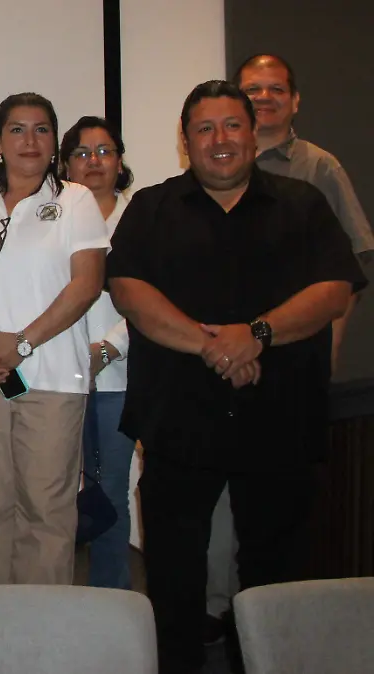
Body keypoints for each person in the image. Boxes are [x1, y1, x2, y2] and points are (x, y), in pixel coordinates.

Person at [106, 80, 365, 674]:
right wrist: (216, 344)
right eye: (204, 128)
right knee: (173, 575)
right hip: (179, 421)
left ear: (252, 134)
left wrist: (260, 334)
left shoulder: (303, 203)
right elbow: (128, 290)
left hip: (281, 418)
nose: (219, 140)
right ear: (185, 141)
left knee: (277, 574)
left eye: (231, 126)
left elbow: (333, 289)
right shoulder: (151, 207)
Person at [199, 53, 374, 641]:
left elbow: (346, 273)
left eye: (277, 89)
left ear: (294, 101)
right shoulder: (209, 172)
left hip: (292, 359)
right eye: (255, 89)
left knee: (277, 508)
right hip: (222, 359)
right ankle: (223, 614)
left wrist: (326, 352)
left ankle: (276, 625)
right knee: (218, 497)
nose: (266, 98)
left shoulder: (318, 168)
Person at [0, 94, 107, 589]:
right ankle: (3, 623)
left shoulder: (74, 200)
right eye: (17, 129)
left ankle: (46, 635)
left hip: (52, 379)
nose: (29, 141)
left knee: (46, 511)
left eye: (41, 130)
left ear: (54, 142)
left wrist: (25, 344)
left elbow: (87, 284)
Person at [59, 115, 136, 589]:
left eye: (105, 151)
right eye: (82, 153)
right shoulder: (53, 215)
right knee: (56, 494)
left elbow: (157, 294)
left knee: (109, 493)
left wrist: (110, 347)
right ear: (65, 163)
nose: (94, 162)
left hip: (119, 380)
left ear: (120, 161)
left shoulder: (142, 215)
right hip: (59, 378)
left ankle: (113, 598)